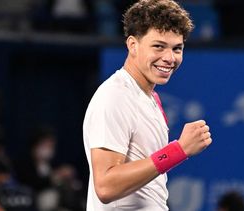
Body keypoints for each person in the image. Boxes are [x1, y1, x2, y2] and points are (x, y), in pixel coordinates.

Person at [82, 0, 212, 210]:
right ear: (133, 45)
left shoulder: (148, 98)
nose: (169, 58)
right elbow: (106, 186)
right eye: (159, 46)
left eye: (177, 49)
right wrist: (178, 150)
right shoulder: (115, 96)